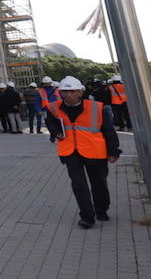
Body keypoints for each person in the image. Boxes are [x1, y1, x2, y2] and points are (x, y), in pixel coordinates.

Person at [45, 75, 120, 229]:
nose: (69, 95)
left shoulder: (96, 107)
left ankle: (101, 209)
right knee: (79, 185)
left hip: (95, 151)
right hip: (70, 152)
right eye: (65, 92)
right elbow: (50, 122)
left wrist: (113, 151)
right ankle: (87, 217)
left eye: (72, 91)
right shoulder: (54, 107)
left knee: (99, 183)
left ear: (80, 92)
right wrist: (55, 132)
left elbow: (109, 131)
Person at [36, 77, 60, 141]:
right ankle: (54, 134)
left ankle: (54, 134)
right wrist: (39, 110)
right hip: (46, 109)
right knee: (48, 123)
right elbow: (37, 101)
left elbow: (61, 99)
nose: (46, 84)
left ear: (50, 83)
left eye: (47, 83)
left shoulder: (56, 90)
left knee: (56, 123)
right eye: (45, 83)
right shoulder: (40, 91)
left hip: (55, 109)